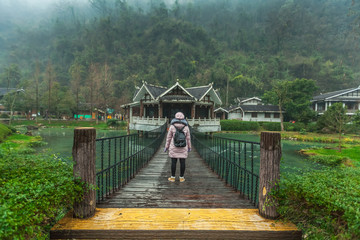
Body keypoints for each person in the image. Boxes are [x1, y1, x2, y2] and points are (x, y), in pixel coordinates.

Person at [164, 112, 191, 182]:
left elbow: (169, 138)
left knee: (173, 162)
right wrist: (189, 147)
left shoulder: (172, 126)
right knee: (182, 162)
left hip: (174, 146)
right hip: (183, 146)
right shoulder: (186, 126)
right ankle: (181, 177)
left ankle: (172, 177)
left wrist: (166, 147)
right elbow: (188, 138)